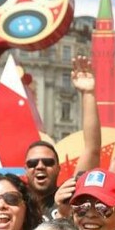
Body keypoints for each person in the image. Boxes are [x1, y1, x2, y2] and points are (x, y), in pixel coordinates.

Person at [28, 55, 102, 218]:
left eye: (48, 162)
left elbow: (92, 150)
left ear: (58, 168)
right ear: (25, 170)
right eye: (32, 163)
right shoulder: (14, 204)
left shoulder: (67, 196)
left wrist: (88, 93)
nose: (40, 166)